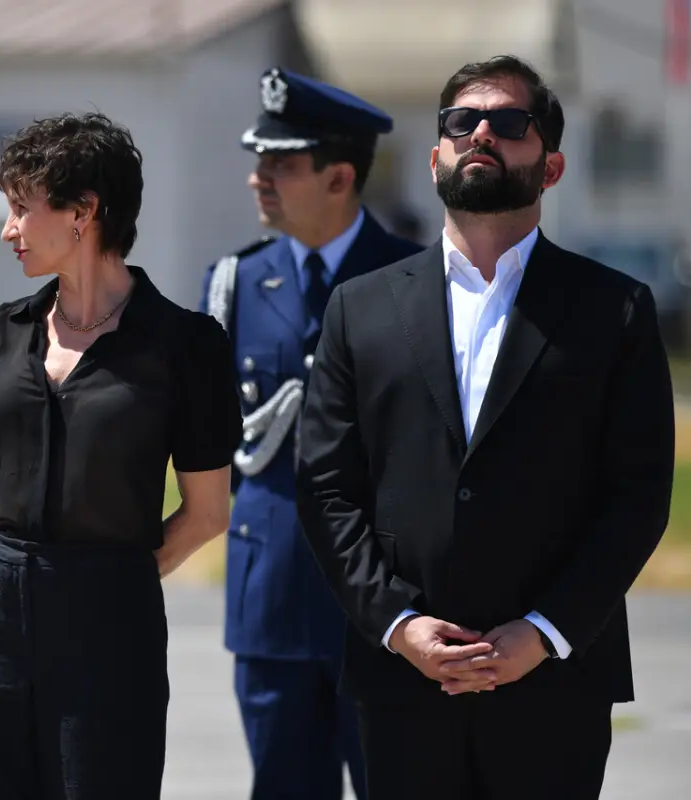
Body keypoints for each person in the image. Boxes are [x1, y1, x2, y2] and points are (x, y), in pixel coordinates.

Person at [295, 55, 675, 800]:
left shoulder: (616, 311)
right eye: (461, 122)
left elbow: (638, 499)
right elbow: (326, 486)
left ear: (553, 165)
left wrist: (543, 632)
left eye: (508, 123)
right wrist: (398, 624)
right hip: (404, 680)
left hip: (555, 682)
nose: (481, 135)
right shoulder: (359, 307)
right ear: (436, 154)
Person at [0, 111, 241, 800]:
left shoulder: (186, 347)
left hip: (108, 617)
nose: (7, 229)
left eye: (21, 209)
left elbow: (207, 512)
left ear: (84, 212)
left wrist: (112, 581)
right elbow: (6, 461)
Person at [199, 67, 421, 800]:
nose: (259, 180)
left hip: (385, 610)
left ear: (340, 178)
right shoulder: (233, 282)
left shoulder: (418, 282)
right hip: (272, 603)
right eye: (258, 162)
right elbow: (214, 444)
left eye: (283, 165)